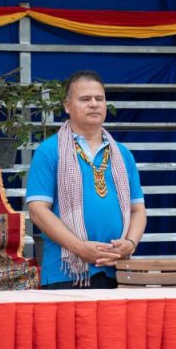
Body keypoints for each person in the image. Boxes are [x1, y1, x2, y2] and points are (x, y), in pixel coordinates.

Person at [25, 70, 147, 289]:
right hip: (66, 273)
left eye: (99, 98)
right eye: (85, 99)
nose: (94, 104)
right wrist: (79, 247)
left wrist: (129, 243)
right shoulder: (50, 151)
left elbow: (137, 210)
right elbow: (38, 211)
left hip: (118, 270)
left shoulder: (122, 154)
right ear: (67, 106)